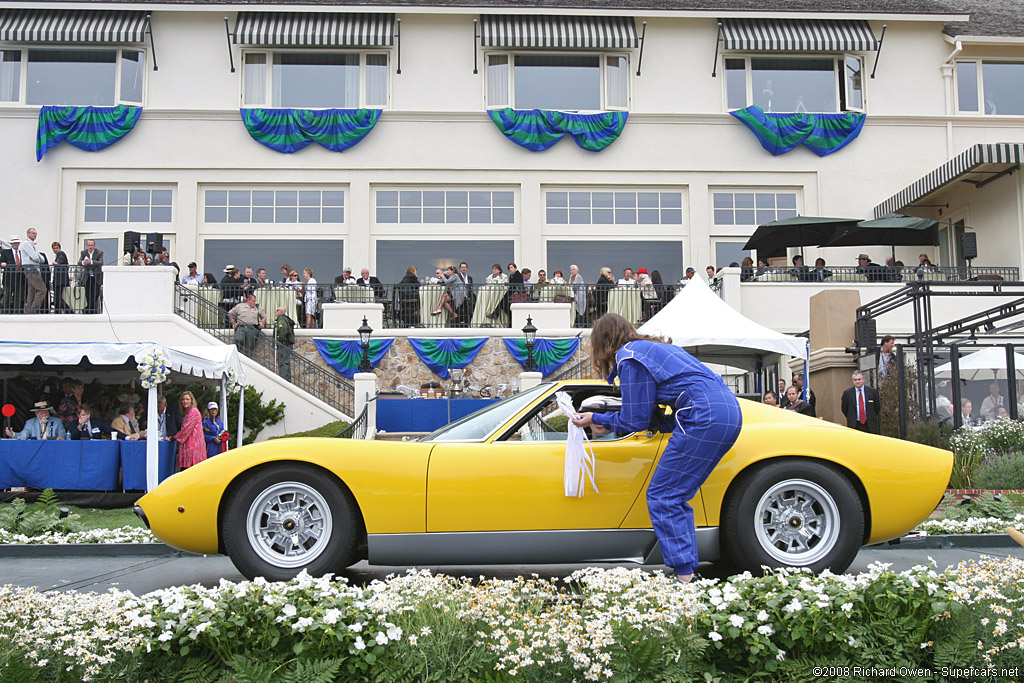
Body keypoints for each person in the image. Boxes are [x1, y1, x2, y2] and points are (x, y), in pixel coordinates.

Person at [570, 313, 742, 583]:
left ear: (602, 342)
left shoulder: (629, 358)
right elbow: (655, 409)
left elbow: (633, 420)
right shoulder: (655, 349)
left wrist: (595, 418)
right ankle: (688, 572)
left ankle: (685, 579)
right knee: (675, 494)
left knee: (664, 496)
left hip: (701, 414)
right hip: (729, 411)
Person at [173, 391, 206, 470]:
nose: (185, 401)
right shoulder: (188, 412)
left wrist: (173, 438)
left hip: (193, 448)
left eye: (187, 399)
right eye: (183, 399)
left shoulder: (193, 411)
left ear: (192, 400)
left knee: (189, 472)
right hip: (190, 447)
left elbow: (186, 430)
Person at [19, 228, 48, 313]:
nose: (35, 235)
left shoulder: (32, 245)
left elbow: (42, 259)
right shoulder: (26, 244)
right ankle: (33, 310)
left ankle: (29, 309)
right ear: (28, 234)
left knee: (31, 290)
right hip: (31, 269)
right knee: (42, 290)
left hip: (33, 269)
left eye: (36, 233)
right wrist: (37, 256)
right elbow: (36, 257)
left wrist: (37, 256)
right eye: (33, 233)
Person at [77, 239, 104, 314]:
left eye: (92, 245)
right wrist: (84, 262)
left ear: (94, 245)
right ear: (87, 246)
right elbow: (79, 262)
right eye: (89, 245)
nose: (90, 247)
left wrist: (91, 262)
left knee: (96, 293)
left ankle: (88, 309)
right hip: (87, 277)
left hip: (96, 277)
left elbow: (101, 262)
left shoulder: (99, 252)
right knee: (88, 294)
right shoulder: (83, 252)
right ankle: (91, 310)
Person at [1, 235, 25, 313]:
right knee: (7, 295)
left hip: (19, 277)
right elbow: (1, 261)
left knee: (18, 296)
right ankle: (5, 311)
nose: (15, 244)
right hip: (9, 278)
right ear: (11, 244)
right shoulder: (5, 252)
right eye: (14, 243)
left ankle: (16, 311)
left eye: (17, 243)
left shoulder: (21, 253)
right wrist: (3, 264)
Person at [274, 304, 296, 381]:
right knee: (285, 362)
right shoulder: (285, 319)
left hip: (284, 344)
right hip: (287, 344)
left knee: (283, 363)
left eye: (278, 310)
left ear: (282, 312)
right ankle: (287, 379)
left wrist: (280, 339)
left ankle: (284, 379)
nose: (276, 312)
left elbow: (283, 330)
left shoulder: (281, 320)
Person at [51, 241, 71, 313]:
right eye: (54, 248)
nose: (55, 249)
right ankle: (58, 311)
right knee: (57, 298)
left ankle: (68, 311)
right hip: (59, 279)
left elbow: (61, 260)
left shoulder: (61, 253)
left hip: (60, 280)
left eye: (57, 248)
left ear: (60, 248)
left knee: (57, 298)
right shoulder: (58, 255)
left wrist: (56, 263)